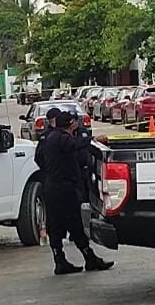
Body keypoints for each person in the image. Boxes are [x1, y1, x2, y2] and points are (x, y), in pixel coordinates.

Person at [40, 111, 113, 275]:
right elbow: (75, 145)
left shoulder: (49, 138)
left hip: (52, 187)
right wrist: (92, 140)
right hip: (64, 189)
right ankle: (90, 258)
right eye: (75, 121)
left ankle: (60, 260)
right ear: (71, 123)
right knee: (74, 224)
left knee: (56, 226)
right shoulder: (63, 138)